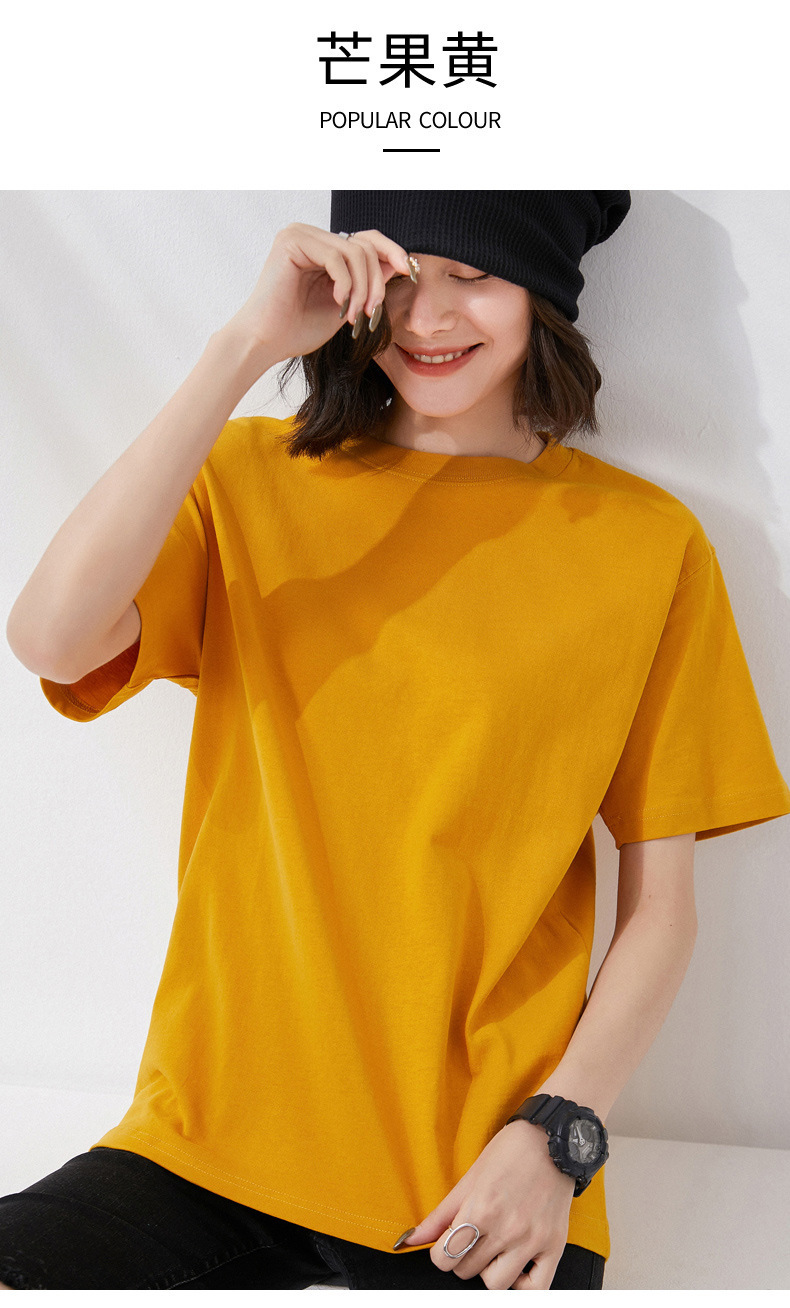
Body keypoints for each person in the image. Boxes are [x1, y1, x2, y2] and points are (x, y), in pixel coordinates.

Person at [3, 191, 789, 1292]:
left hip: (482, 1177)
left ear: (544, 297)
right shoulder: (250, 478)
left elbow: (662, 908)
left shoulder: (647, 546)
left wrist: (558, 1139)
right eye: (401, 274)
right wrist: (245, 345)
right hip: (205, 1143)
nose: (428, 316)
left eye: (476, 276)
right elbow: (49, 638)